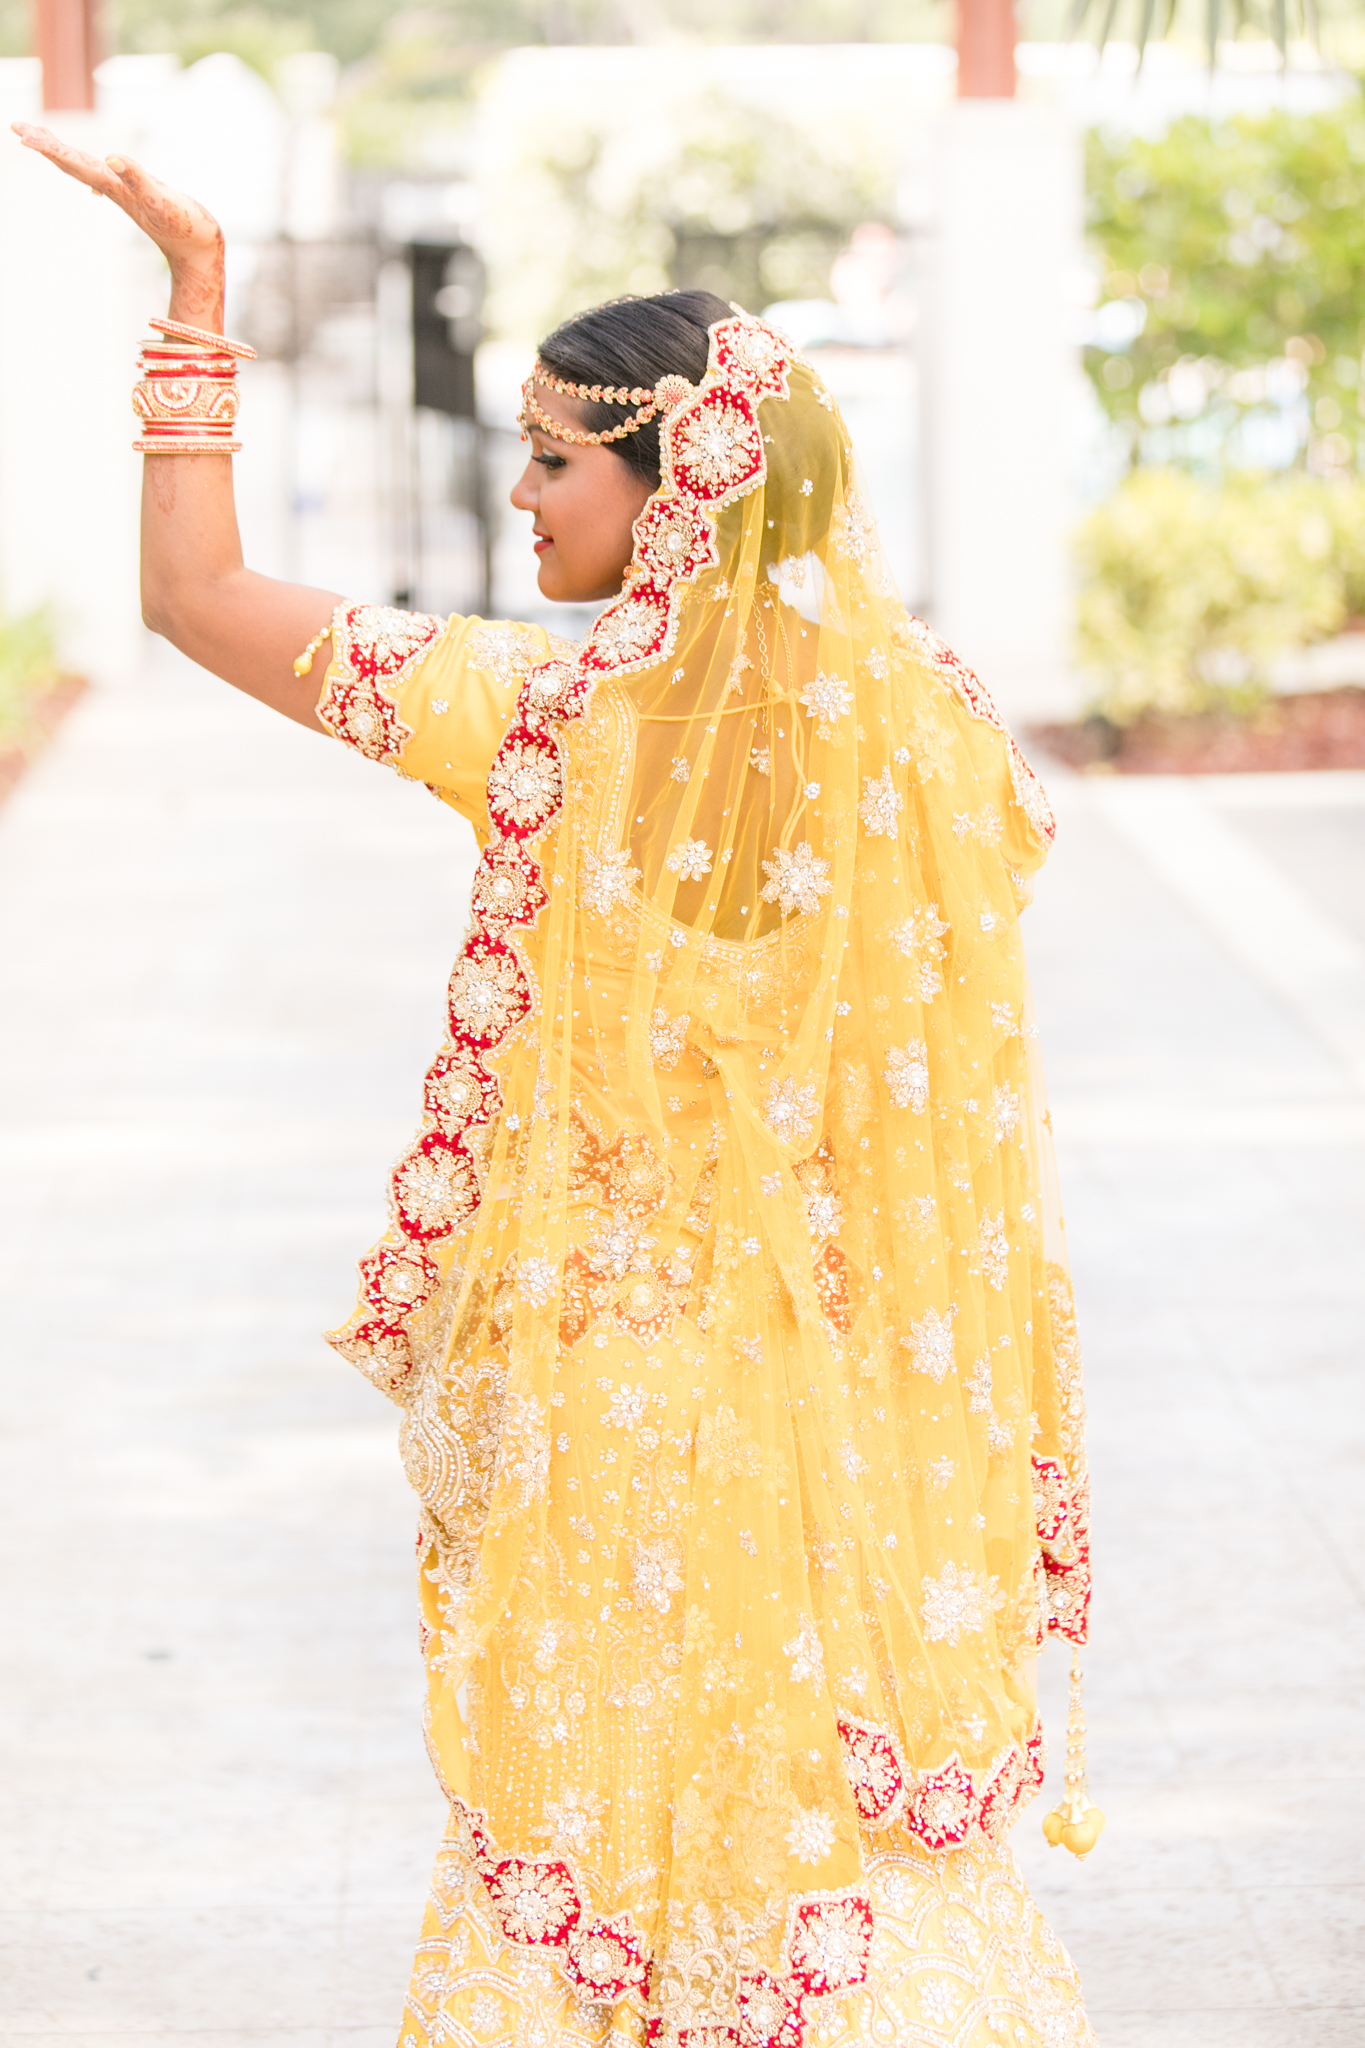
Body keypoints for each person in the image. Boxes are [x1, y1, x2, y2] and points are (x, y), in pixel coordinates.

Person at [16, 124, 1100, 2048]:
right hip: (829, 1390)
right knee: (813, 1834)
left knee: (601, 1825)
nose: (516, 496)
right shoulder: (923, 734)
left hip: (599, 1382)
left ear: (671, 482)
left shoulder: (536, 721)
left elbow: (197, 597)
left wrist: (198, 306)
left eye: (548, 456)